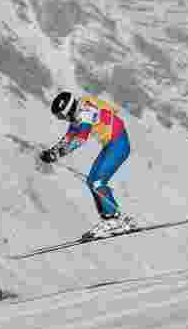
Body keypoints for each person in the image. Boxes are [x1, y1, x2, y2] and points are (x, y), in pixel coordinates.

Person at [40, 92, 138, 240]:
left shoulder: (86, 111)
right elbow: (69, 136)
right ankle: (116, 219)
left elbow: (80, 138)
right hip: (113, 143)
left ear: (67, 111)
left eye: (61, 116)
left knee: (97, 182)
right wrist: (52, 151)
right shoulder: (79, 110)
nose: (61, 119)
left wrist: (56, 154)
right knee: (92, 181)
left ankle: (113, 219)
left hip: (118, 144)